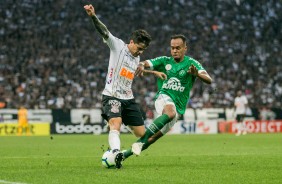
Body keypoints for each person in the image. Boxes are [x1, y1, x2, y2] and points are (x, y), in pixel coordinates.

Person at [84, 4, 165, 168]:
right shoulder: (118, 46)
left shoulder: (136, 58)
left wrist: (153, 72)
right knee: (116, 122)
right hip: (112, 95)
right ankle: (115, 152)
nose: (140, 52)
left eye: (144, 50)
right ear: (132, 42)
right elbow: (104, 31)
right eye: (139, 48)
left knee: (142, 134)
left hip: (128, 99)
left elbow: (136, 68)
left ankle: (115, 135)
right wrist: (93, 16)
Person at [123, 34, 213, 159]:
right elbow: (145, 63)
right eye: (172, 48)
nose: (174, 51)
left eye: (178, 48)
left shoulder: (192, 63)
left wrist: (197, 73)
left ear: (185, 48)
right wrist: (142, 65)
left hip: (179, 107)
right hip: (164, 97)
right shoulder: (164, 61)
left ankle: (123, 155)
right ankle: (142, 139)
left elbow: (209, 80)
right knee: (170, 113)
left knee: (154, 138)